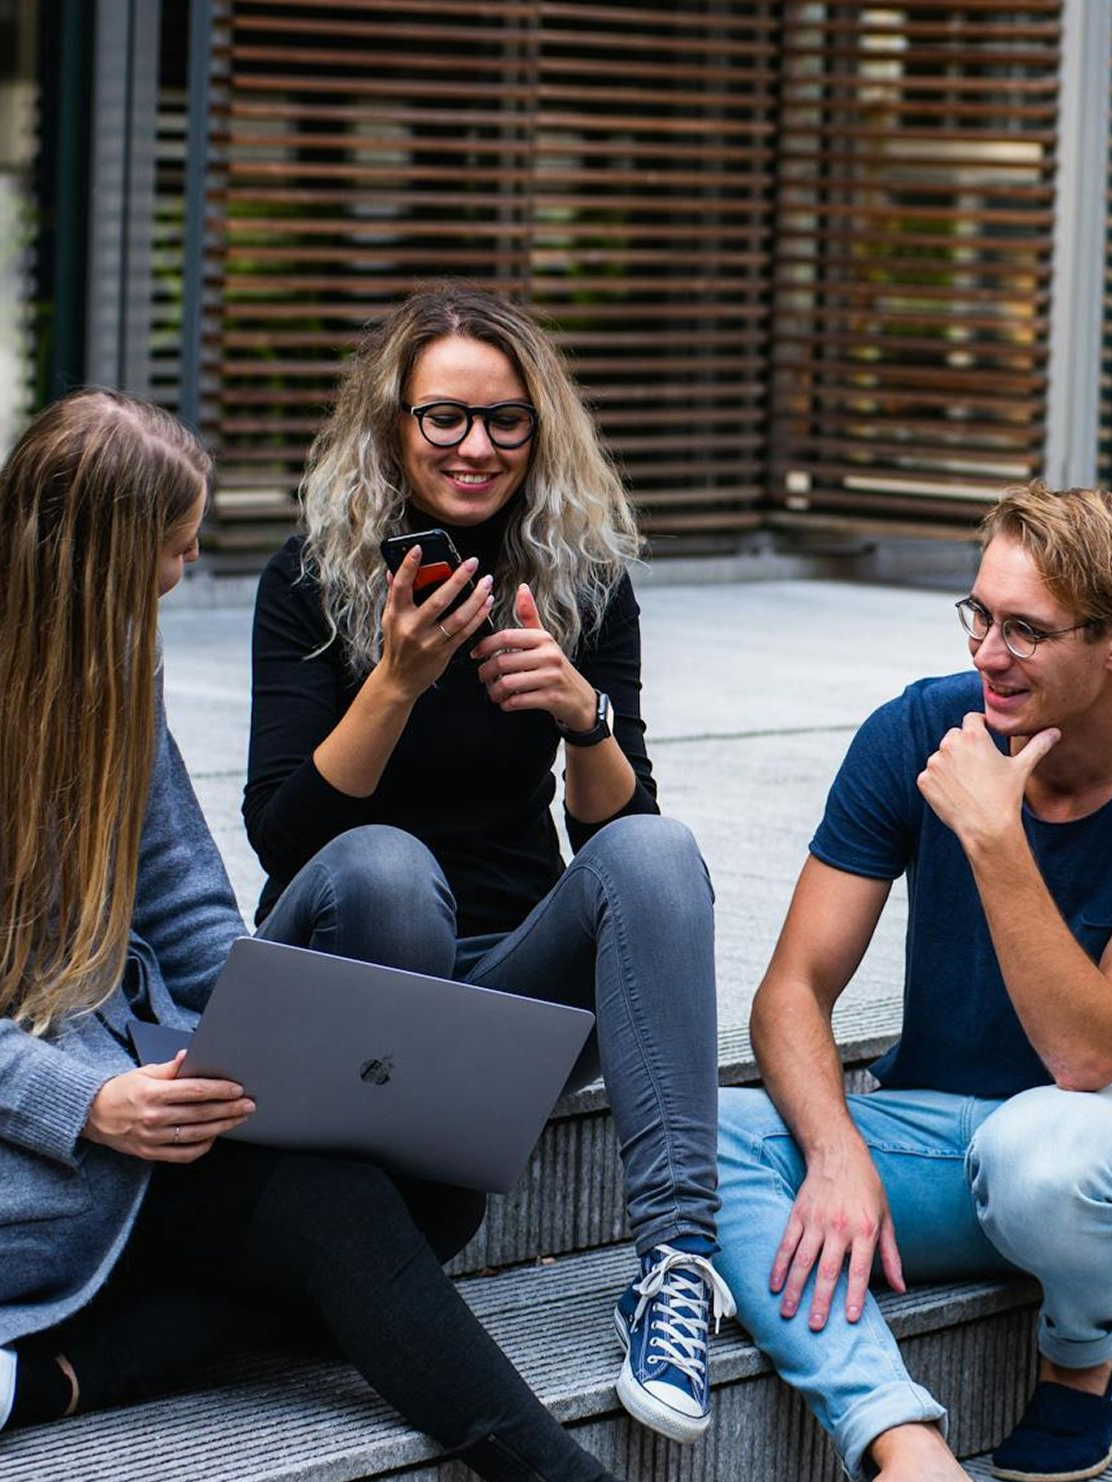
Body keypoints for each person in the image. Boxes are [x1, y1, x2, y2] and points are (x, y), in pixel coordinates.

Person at [0, 388, 626, 1482]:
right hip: (41, 1143)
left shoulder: (113, 671)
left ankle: (56, 1376)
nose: (183, 573)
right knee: (334, 1209)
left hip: (140, 1094)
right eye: (174, 549)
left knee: (426, 1197)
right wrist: (87, 1104)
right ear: (97, 558)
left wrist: (251, 1051)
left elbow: (188, 907)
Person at [243, 282, 733, 1443]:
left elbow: (621, 844)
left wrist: (582, 717)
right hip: (350, 972)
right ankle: (373, 1222)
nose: (475, 447)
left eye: (505, 419)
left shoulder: (581, 578)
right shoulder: (310, 579)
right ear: (392, 424)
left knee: (658, 854)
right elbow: (283, 837)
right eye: (443, 418)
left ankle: (673, 1269)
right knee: (384, 869)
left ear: (540, 426)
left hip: (504, 997)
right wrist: (396, 680)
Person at [715, 480, 1112, 1482]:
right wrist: (835, 1148)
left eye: (1025, 630)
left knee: (1041, 1152)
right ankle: (902, 1442)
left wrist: (993, 837)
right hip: (940, 1143)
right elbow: (790, 990)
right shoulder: (919, 729)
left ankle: (1082, 1359)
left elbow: (1086, 1058)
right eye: (978, 615)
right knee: (702, 1133)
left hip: (1086, 1161)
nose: (984, 654)